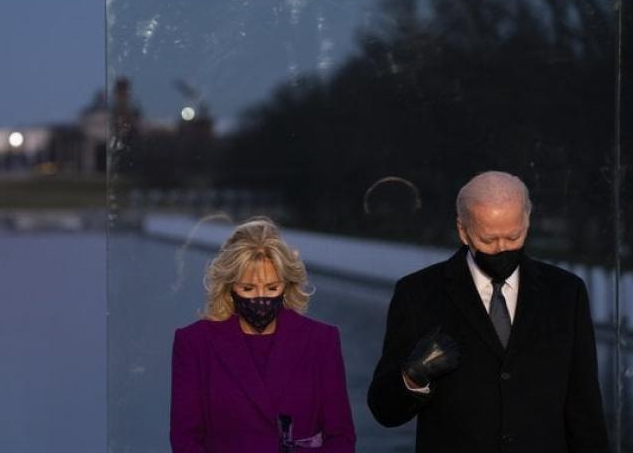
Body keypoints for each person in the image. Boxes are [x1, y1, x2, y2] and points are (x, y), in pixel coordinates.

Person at [366, 171, 610, 452]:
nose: (502, 248)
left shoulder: (566, 293)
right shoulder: (417, 294)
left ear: (527, 222)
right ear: (463, 231)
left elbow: (585, 408)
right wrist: (413, 375)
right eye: (488, 240)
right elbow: (384, 411)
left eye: (513, 236)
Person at [170, 217, 356, 453]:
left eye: (271, 288)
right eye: (248, 289)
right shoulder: (194, 343)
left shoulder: (321, 340)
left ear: (287, 286)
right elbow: (185, 439)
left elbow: (340, 437)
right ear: (229, 287)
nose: (261, 298)